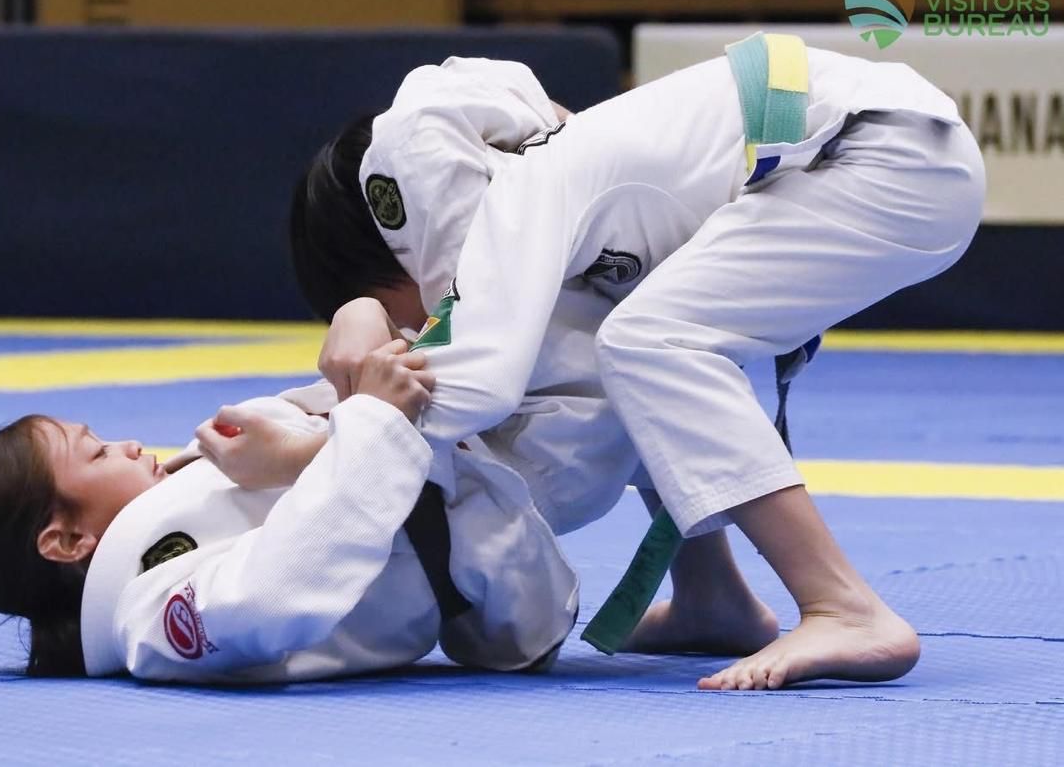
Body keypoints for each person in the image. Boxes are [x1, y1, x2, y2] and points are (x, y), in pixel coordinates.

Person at [291, 36, 985, 689]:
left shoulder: (478, 188)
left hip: (876, 151)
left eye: (399, 316)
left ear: (390, 250)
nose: (413, 332)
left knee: (649, 341)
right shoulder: (560, 178)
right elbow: (573, 370)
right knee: (637, 338)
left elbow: (483, 382)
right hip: (882, 143)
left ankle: (844, 605)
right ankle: (714, 599)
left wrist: (341, 434)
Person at [0, 341, 584, 683]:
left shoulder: (186, 477)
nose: (128, 443)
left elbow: (296, 424)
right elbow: (277, 591)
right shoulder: (149, 618)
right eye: (97, 452)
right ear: (68, 539)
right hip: (492, 568)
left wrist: (361, 363)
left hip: (460, 474)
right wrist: (371, 422)